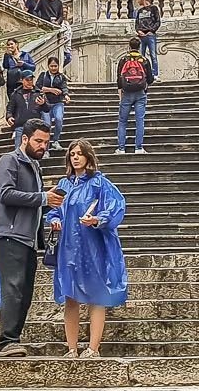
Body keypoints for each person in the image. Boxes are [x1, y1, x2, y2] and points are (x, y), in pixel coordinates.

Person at [46, 140, 127, 358]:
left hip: (93, 246)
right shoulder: (64, 184)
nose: (75, 157)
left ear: (88, 157)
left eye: (80, 154)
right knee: (70, 296)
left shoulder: (100, 183)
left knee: (96, 295)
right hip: (69, 248)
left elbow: (115, 206)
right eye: (72, 154)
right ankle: (71, 348)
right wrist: (54, 220)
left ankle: (93, 348)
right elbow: (53, 209)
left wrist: (97, 219)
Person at [0, 119, 64, 358]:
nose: (43, 146)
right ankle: (6, 341)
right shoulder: (9, 161)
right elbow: (5, 194)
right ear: (25, 139)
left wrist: (52, 212)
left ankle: (12, 339)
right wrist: (43, 197)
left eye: (46, 142)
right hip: (11, 235)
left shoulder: (35, 167)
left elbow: (35, 203)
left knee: (24, 291)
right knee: (13, 288)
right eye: (38, 141)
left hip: (29, 239)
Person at [115, 37, 155, 155]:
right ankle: (138, 147)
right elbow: (151, 79)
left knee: (122, 121)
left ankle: (121, 148)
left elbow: (119, 78)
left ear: (129, 46)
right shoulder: (144, 60)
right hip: (140, 93)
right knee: (139, 121)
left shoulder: (123, 59)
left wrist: (120, 92)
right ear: (139, 47)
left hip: (126, 93)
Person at [6, 70, 50, 149]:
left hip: (35, 126)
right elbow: (10, 108)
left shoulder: (38, 92)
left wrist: (43, 103)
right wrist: (9, 117)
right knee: (19, 150)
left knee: (33, 149)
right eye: (27, 80)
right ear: (22, 80)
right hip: (20, 125)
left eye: (31, 80)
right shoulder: (15, 94)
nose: (30, 82)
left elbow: (47, 109)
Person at [37, 57, 70, 151]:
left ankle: (56, 140)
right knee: (47, 124)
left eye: (55, 66)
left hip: (58, 102)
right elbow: (37, 87)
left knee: (59, 119)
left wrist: (66, 95)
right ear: (48, 66)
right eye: (51, 66)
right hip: (45, 103)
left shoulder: (61, 76)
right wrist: (51, 90)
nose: (53, 68)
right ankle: (46, 148)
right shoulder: (43, 75)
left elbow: (64, 87)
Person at [134, 0, 161, 78]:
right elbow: (137, 23)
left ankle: (155, 74)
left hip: (150, 35)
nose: (138, 1)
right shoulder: (139, 11)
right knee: (141, 56)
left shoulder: (153, 8)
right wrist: (139, 31)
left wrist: (152, 31)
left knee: (153, 55)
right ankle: (142, 73)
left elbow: (157, 21)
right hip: (141, 36)